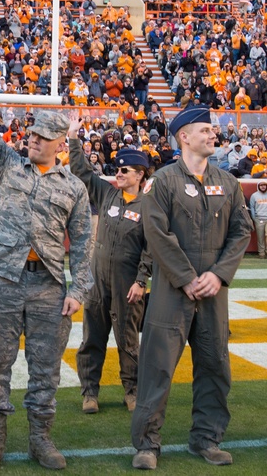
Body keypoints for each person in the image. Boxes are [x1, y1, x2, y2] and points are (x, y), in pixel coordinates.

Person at [0, 46, 92, 472]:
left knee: (45, 370)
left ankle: (41, 438)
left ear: (60, 143)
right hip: (3, 279)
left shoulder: (74, 187)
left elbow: (84, 240)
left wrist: (79, 289)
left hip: (48, 286)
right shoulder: (7, 164)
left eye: (42, 137)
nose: (32, 139)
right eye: (31, 134)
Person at [130, 105, 253, 470]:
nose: (212, 134)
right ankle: (147, 445)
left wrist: (218, 275)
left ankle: (207, 439)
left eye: (212, 130)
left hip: (214, 293)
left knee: (215, 366)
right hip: (172, 290)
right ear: (184, 136)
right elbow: (156, 232)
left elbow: (241, 231)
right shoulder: (164, 181)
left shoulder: (228, 182)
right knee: (157, 368)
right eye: (205, 130)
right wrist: (186, 278)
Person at [67, 114, 151, 416]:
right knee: (92, 339)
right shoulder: (107, 194)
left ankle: (132, 391)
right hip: (97, 282)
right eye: (117, 169)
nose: (118, 173)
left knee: (128, 342)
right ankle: (90, 392)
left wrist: (141, 281)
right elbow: (82, 172)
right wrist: (74, 139)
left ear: (140, 174)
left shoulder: (148, 208)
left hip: (127, 285)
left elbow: (150, 250)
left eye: (124, 170)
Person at [249, 181, 267, 259]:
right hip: (258, 218)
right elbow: (252, 207)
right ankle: (261, 253)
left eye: (264, 185)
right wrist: (254, 218)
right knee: (260, 237)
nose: (263, 187)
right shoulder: (254, 196)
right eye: (261, 185)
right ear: (258, 186)